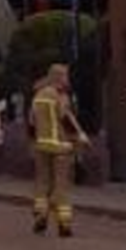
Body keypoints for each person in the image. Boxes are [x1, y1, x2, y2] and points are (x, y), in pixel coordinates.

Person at [28, 63, 88, 237]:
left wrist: (33, 142)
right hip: (60, 147)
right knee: (61, 186)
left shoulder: (38, 96)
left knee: (42, 182)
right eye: (65, 77)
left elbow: (31, 122)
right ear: (59, 78)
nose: (67, 80)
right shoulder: (59, 97)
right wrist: (80, 137)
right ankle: (64, 225)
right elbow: (66, 120)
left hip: (41, 147)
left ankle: (40, 215)